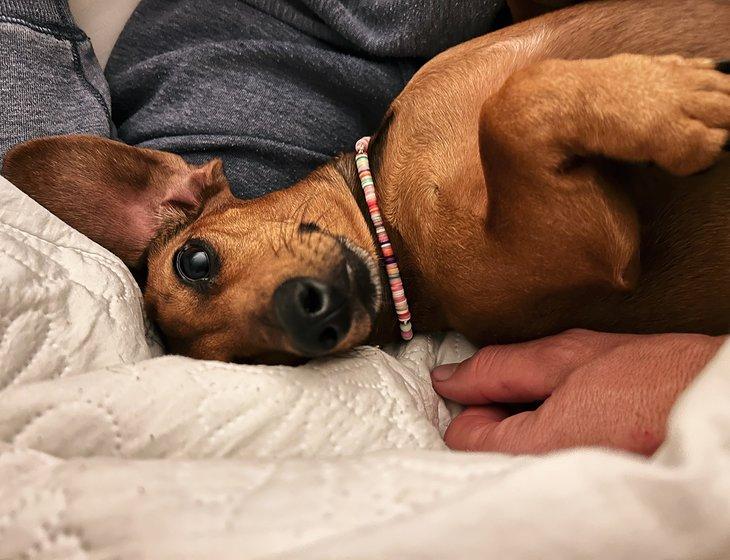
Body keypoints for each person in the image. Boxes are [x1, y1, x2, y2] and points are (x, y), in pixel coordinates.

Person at [1, 0, 724, 456]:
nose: (278, 315)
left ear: (186, 197)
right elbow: (602, 242)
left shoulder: (399, 145)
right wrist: (530, 114)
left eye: (200, 268)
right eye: (256, 358)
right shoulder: (462, 277)